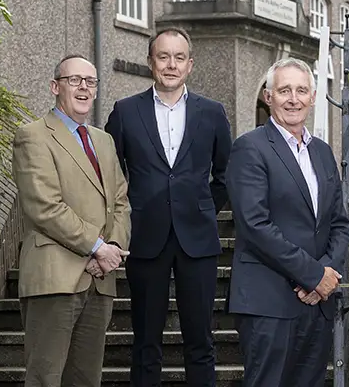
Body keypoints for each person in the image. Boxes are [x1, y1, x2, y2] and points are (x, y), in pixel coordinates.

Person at [104, 27, 232, 386]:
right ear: (151, 62)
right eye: (163, 57)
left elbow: (226, 175)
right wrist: (129, 214)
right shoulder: (126, 112)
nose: (171, 65)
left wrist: (202, 207)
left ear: (190, 64)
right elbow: (110, 175)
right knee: (145, 342)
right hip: (145, 238)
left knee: (201, 341)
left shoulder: (213, 113)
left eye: (179, 57)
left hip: (198, 240)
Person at [225, 58, 349, 387]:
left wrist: (326, 273)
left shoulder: (322, 152)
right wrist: (313, 275)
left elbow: (339, 222)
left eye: (301, 90)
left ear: (313, 97)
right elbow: (255, 225)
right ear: (268, 97)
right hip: (269, 301)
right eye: (284, 91)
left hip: (317, 303)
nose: (293, 99)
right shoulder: (250, 148)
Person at [12, 54, 131, 387]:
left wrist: (113, 248)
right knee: (45, 378)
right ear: (55, 87)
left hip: (99, 280)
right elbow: (45, 207)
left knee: (86, 380)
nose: (83, 88)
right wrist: (97, 247)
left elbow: (120, 202)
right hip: (54, 278)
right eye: (74, 80)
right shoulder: (32, 136)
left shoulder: (104, 140)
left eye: (90, 81)